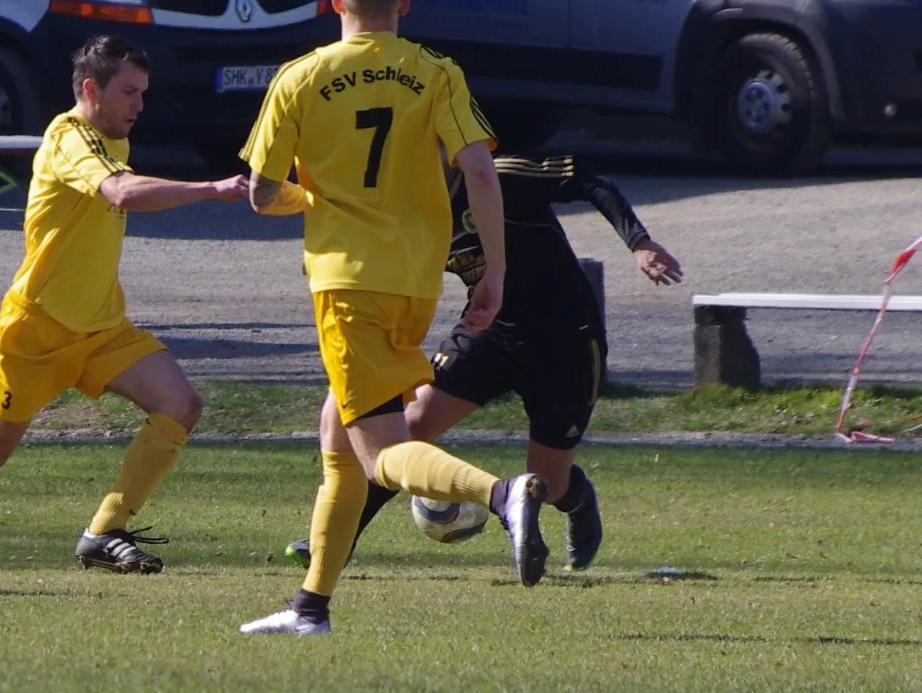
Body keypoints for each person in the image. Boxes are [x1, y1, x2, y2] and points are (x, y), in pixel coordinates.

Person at [235, 0, 548, 637]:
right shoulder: (435, 71)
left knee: (378, 453)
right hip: (414, 283)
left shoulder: (299, 77)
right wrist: (495, 271)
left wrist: (309, 197)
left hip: (347, 282)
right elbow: (480, 170)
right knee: (339, 437)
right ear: (404, 1)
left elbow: (260, 192)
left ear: (334, 2)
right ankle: (310, 607)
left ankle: (501, 496)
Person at [0, 35, 249, 574]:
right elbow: (122, 193)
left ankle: (104, 531)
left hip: (102, 328)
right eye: (128, 92)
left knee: (181, 405)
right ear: (90, 89)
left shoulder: (113, 139)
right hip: (37, 330)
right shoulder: (68, 138)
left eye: (143, 93)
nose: (139, 105)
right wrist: (213, 189)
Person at [284, 154, 685, 573]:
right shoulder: (407, 207)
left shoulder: (499, 175)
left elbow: (588, 177)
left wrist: (639, 242)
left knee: (548, 485)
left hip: (566, 342)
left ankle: (578, 498)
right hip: (489, 334)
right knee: (411, 427)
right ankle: (337, 542)